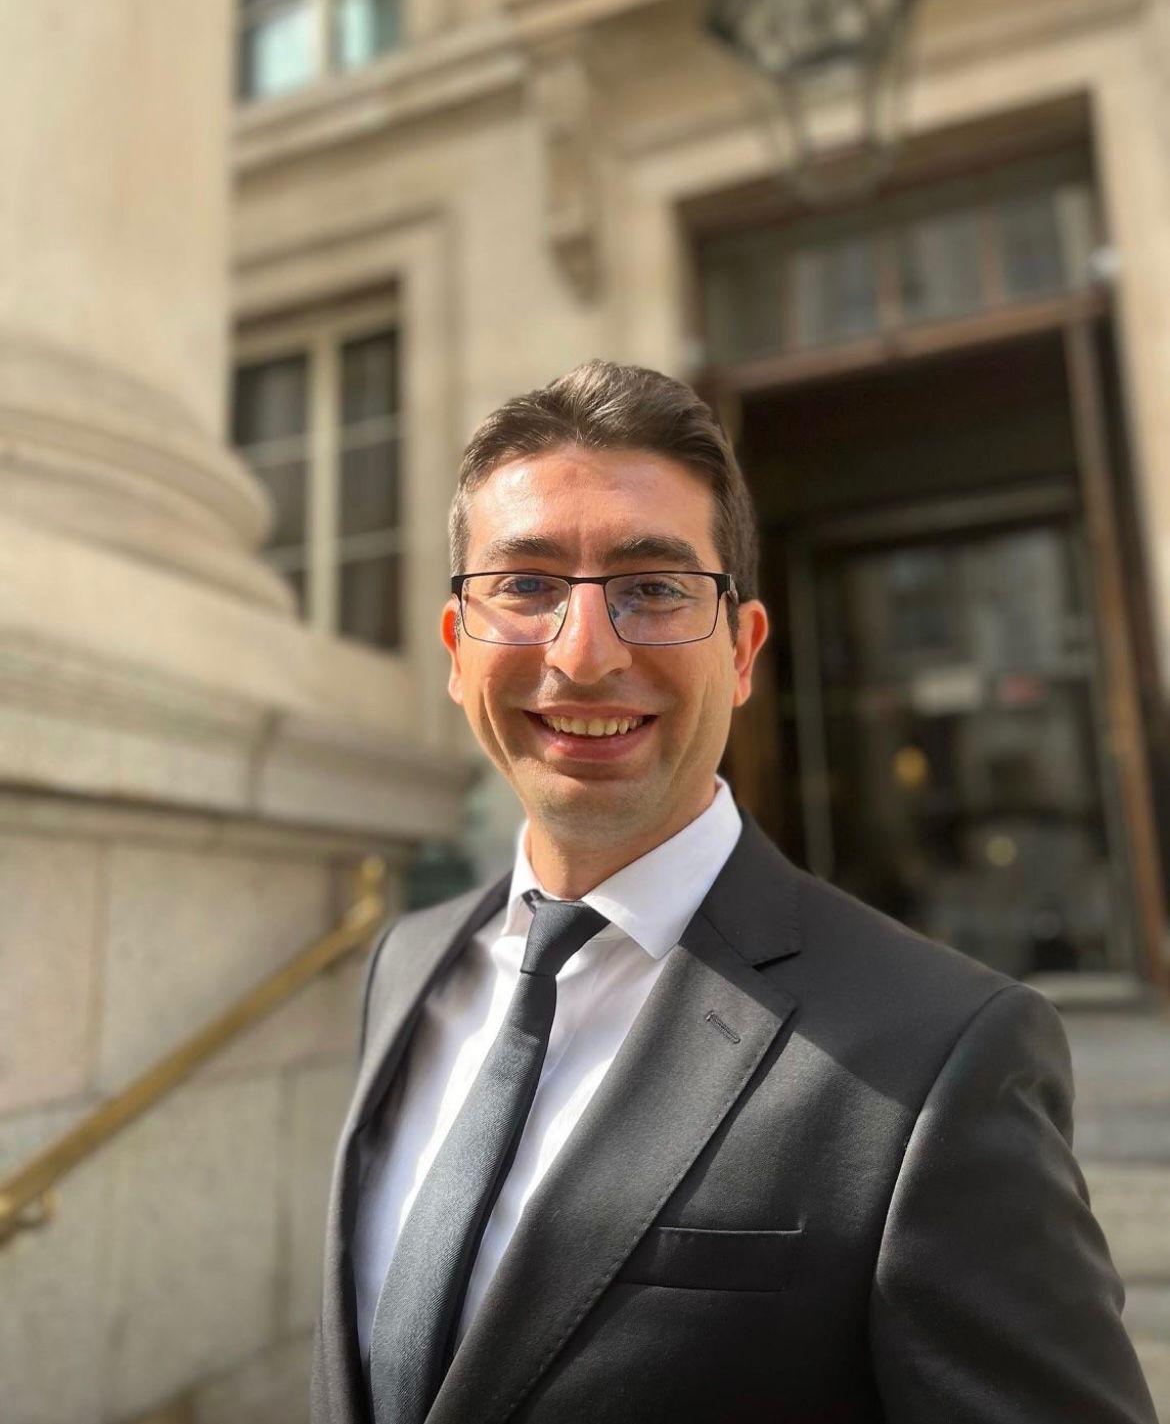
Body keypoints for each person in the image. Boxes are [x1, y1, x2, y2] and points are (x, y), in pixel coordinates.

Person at [312, 360, 1157, 1424]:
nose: (582, 655)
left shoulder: (945, 1053)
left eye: (653, 588)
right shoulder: (406, 964)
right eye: (525, 585)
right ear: (455, 647)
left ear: (745, 649)